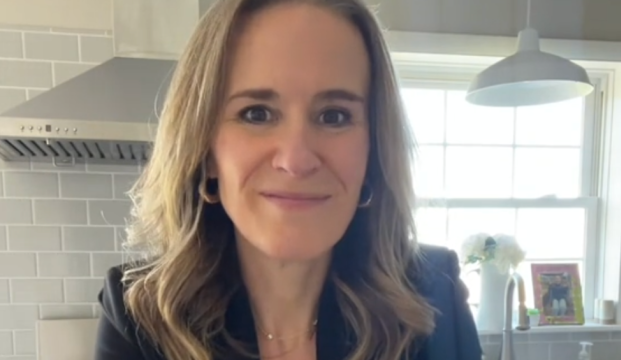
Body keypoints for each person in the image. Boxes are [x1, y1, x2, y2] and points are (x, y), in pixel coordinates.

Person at [94, 0, 483, 359]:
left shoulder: (435, 299)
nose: (296, 160)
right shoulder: (138, 316)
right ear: (206, 147)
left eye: (334, 116)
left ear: (375, 148)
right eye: (257, 114)